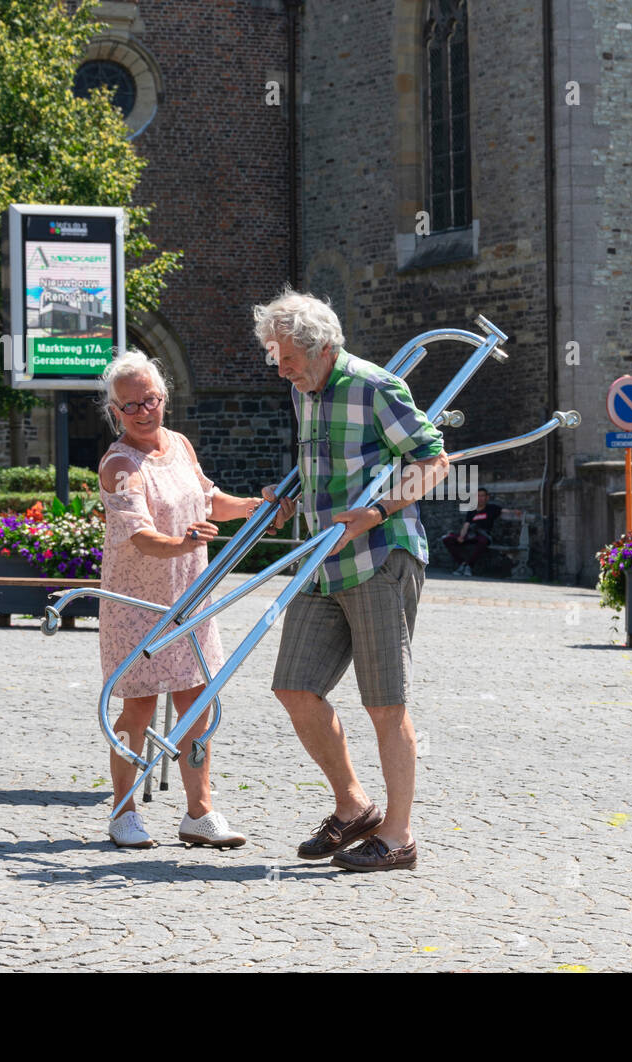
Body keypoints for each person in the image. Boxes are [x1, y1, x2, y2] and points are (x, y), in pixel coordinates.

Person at [256, 289, 450, 872]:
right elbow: (321, 467)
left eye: (287, 357)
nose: (280, 368)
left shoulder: (375, 386)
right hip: (320, 559)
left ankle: (398, 837)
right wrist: (286, 497)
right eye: (275, 357)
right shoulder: (303, 391)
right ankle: (353, 805)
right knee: (294, 686)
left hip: (379, 556)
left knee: (384, 703)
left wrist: (379, 511)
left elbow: (434, 462)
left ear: (323, 347)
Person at [97, 349, 266, 849]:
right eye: (131, 405)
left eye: (151, 399)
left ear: (164, 397)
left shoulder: (180, 446)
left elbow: (210, 500)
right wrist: (184, 542)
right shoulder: (120, 464)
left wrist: (259, 507)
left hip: (191, 600)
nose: (144, 411)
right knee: (138, 711)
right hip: (139, 606)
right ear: (115, 411)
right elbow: (141, 537)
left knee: (198, 706)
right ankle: (123, 812)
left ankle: (200, 813)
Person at [442, 487, 501, 575]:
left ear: (487, 497)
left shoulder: (492, 508)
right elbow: (466, 525)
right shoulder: (472, 511)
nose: (480, 498)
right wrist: (461, 536)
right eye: (478, 496)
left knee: (483, 541)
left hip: (483, 535)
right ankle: (462, 564)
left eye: (482, 496)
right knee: (447, 539)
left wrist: (516, 512)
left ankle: (469, 566)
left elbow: (505, 511)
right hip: (470, 535)